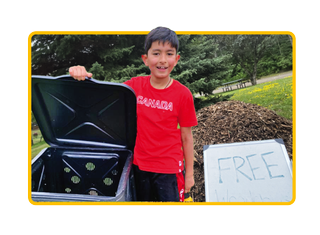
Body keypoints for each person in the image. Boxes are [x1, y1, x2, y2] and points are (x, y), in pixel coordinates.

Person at [69, 26, 198, 202]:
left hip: (169, 170)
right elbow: (102, 98)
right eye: (156, 53)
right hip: (139, 166)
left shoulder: (183, 94)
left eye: (169, 53)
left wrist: (189, 174)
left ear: (177, 58)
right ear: (145, 59)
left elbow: (187, 137)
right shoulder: (133, 87)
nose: (163, 60)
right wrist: (80, 75)